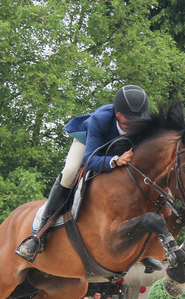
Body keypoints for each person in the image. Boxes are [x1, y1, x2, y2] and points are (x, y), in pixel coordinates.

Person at [15, 85, 151, 261]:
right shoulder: (100, 119)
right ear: (117, 113)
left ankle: (143, 245)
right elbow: (89, 159)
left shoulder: (145, 123)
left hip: (119, 150)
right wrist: (114, 161)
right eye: (129, 120)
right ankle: (40, 234)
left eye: (138, 120)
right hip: (90, 144)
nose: (133, 125)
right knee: (70, 172)